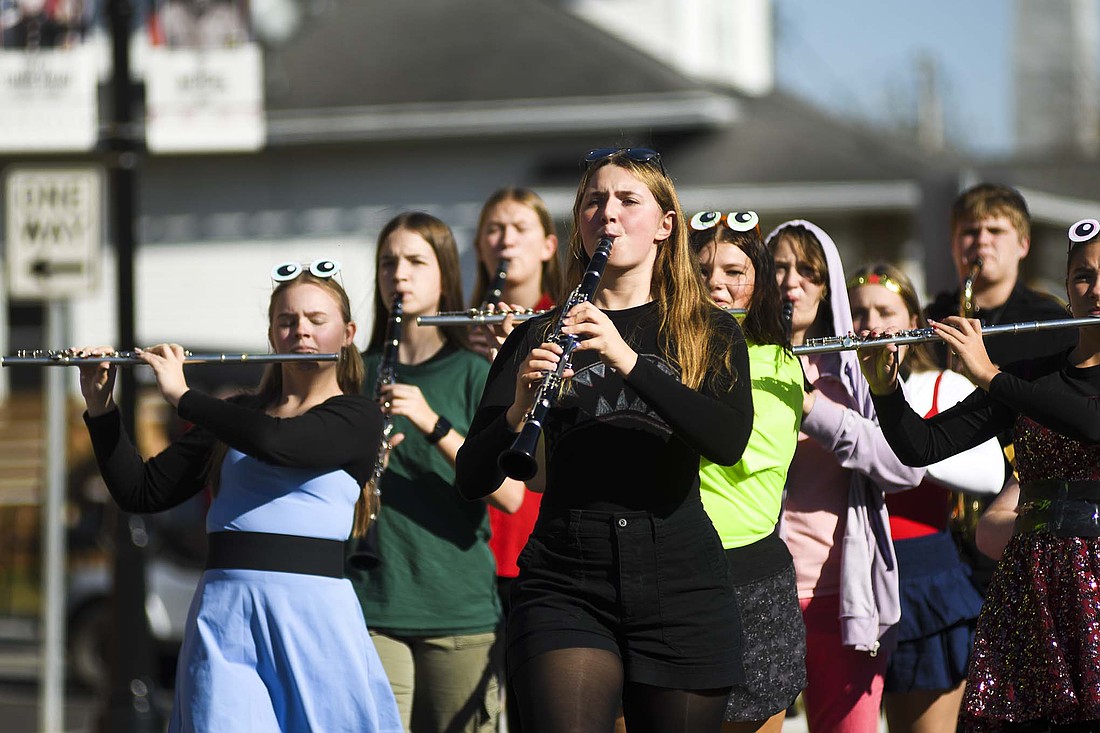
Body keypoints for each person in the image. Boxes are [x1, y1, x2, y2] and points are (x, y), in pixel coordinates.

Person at [455, 147, 754, 733]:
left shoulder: (709, 328)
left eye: (627, 200)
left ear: (666, 225)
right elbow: (472, 477)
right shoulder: (541, 333)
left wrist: (625, 357)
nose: (608, 214)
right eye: (594, 201)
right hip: (567, 577)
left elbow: (727, 440)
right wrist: (517, 409)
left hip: (680, 578)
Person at [76, 261, 401, 732]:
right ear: (272, 334)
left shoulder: (358, 416)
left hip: (313, 618)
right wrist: (102, 408)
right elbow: (140, 492)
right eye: (287, 322)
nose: (300, 332)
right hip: (226, 614)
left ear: (348, 332)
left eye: (316, 320)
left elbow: (279, 442)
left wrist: (185, 397)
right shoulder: (237, 415)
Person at [859, 217, 1100, 733]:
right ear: (1067, 285)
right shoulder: (1035, 375)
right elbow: (922, 445)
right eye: (1084, 276)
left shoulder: (1013, 382)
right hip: (1032, 584)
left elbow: (1090, 423)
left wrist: (989, 375)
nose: (1096, 290)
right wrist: (885, 389)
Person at [348, 211, 523, 733]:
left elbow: (511, 496)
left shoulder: (475, 372)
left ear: (444, 273)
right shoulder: (355, 371)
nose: (398, 274)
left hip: (458, 609)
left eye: (415, 261)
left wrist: (431, 422)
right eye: (388, 262)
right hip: (373, 602)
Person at [766, 220, 926, 733]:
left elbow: (906, 467)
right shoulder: (732, 365)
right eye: (779, 268)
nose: (792, 282)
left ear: (827, 284)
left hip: (843, 595)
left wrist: (812, 405)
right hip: (757, 593)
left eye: (808, 272)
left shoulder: (854, 374)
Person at [846, 263, 1004, 733]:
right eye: (858, 311)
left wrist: (877, 439)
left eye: (884, 311)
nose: (870, 323)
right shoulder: (829, 387)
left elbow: (991, 475)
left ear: (912, 319)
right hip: (842, 576)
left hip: (921, 573)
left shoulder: (942, 385)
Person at [925, 184, 1078, 595]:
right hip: (938, 513)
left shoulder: (1050, 323)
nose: (981, 242)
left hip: (1015, 501)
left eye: (996, 231)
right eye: (970, 232)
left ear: (1023, 244)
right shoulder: (931, 318)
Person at [687, 210, 807, 733]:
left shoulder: (779, 363)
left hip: (750, 576)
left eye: (734, 272)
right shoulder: (657, 351)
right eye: (703, 269)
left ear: (757, 281)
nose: (716, 283)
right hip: (671, 569)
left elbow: (738, 454)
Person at [468, 187, 562, 733]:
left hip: (533, 538)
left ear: (549, 245)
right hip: (469, 544)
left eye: (518, 229)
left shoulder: (568, 322)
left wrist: (518, 365)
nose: (505, 242)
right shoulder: (458, 329)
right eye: (494, 230)